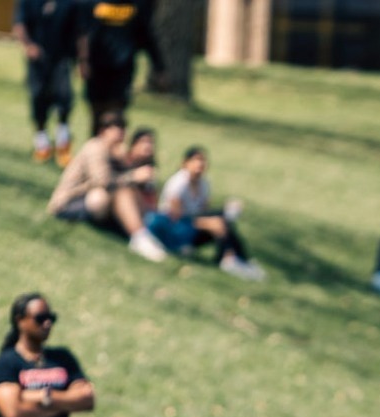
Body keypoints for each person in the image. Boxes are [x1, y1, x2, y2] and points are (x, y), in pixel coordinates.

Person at [47, 110, 168, 262]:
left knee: (128, 192)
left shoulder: (115, 152)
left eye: (123, 128)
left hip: (92, 201)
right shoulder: (95, 147)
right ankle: (139, 238)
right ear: (104, 130)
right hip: (69, 202)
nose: (122, 133)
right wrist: (133, 176)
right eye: (118, 127)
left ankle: (145, 233)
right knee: (113, 193)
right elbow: (102, 181)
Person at [149, 146, 265, 280]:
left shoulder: (204, 183)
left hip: (192, 225)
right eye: (196, 159)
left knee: (223, 220)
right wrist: (208, 223)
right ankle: (233, 259)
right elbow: (176, 216)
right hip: (174, 229)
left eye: (203, 160)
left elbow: (203, 212)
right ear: (185, 163)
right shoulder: (178, 183)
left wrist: (217, 217)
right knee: (219, 221)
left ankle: (235, 258)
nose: (200, 164)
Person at [76, 0, 163, 133]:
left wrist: (159, 66)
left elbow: (146, 36)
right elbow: (82, 32)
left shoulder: (137, 5)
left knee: (116, 110)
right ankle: (97, 141)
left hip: (123, 66)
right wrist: (83, 61)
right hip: (96, 66)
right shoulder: (91, 4)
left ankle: (115, 140)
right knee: (97, 110)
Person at [13, 0, 77, 166]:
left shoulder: (69, 3)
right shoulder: (28, 2)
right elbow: (19, 24)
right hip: (38, 60)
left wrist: (80, 59)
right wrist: (28, 46)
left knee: (64, 98)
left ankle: (63, 144)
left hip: (61, 58)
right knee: (38, 97)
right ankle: (42, 144)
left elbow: (78, 30)